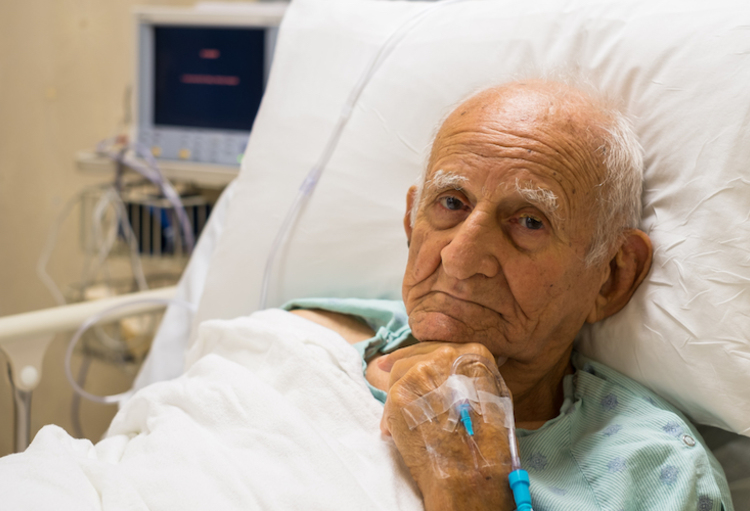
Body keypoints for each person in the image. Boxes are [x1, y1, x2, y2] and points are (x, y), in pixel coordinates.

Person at [286, 80, 734, 510]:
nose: (459, 258)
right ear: (411, 221)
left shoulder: (655, 476)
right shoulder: (298, 341)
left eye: (530, 221)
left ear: (612, 277)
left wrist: (469, 493)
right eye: (451, 202)